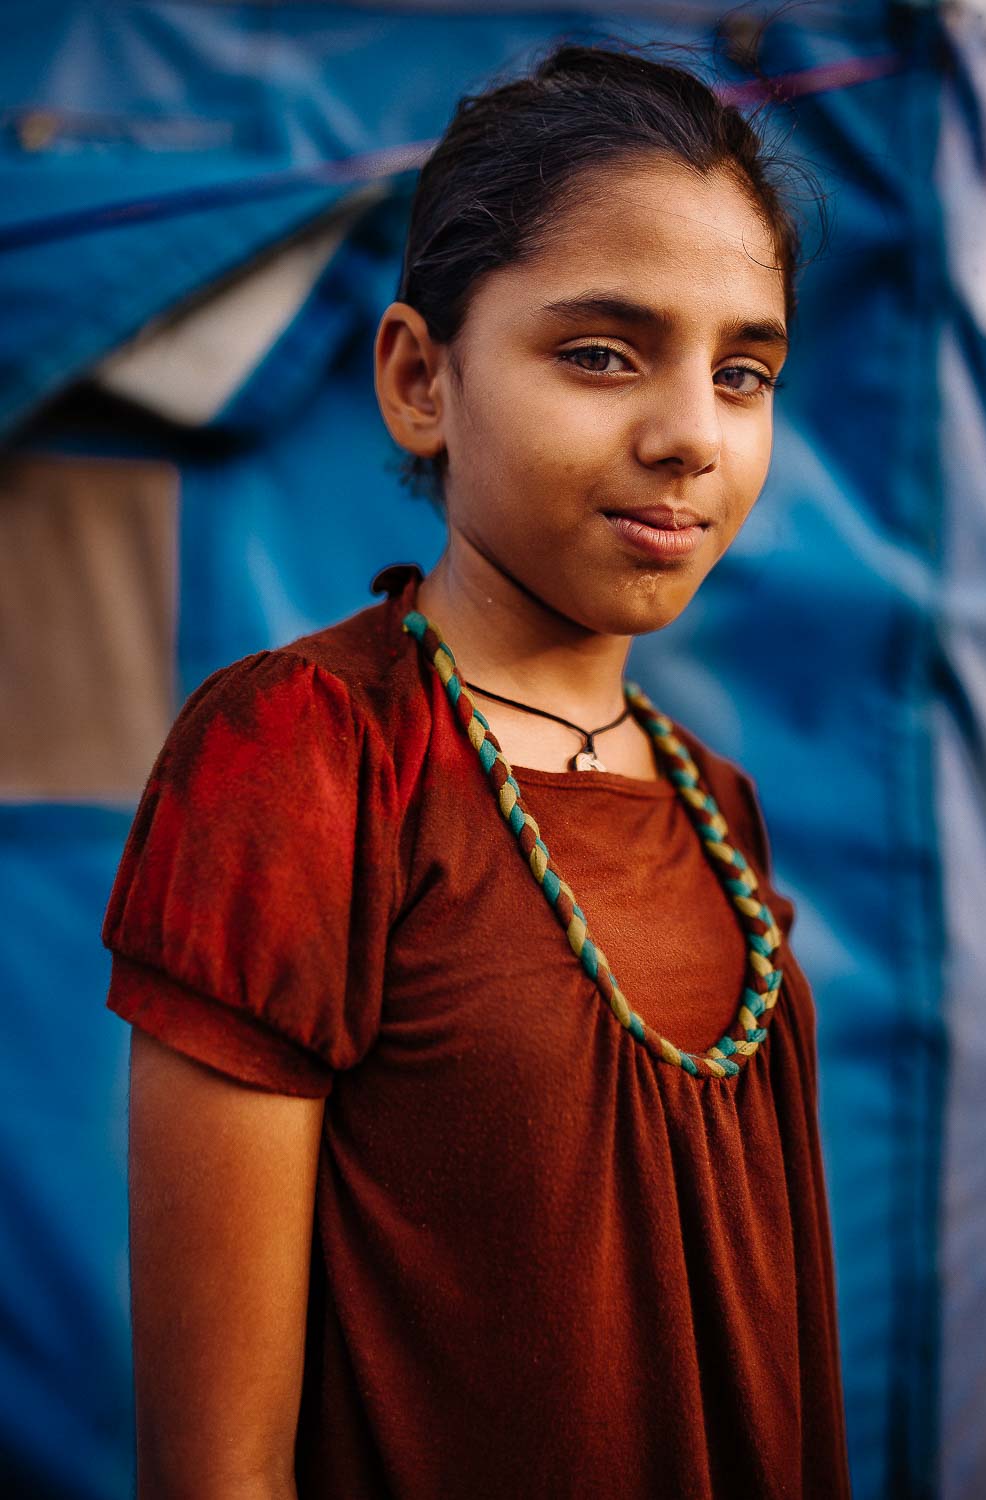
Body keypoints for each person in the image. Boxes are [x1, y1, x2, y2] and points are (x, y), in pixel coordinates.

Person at [103, 42, 851, 1500]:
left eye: (744, 369)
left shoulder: (711, 801)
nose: (692, 433)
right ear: (420, 379)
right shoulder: (304, 757)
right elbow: (217, 1472)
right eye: (600, 352)